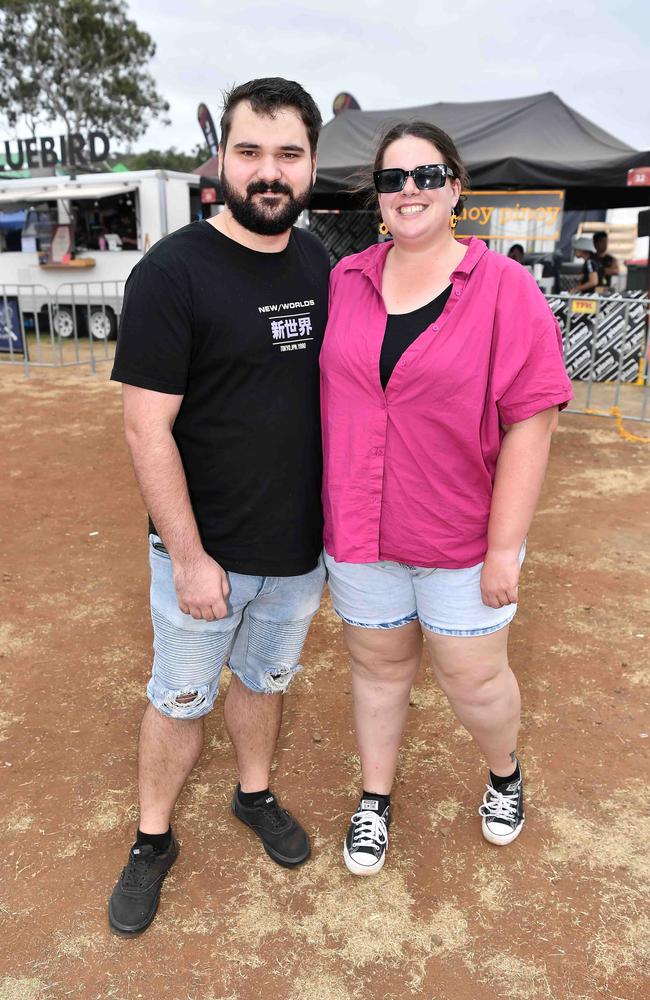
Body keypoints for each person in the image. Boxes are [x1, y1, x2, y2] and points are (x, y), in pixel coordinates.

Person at [320, 121, 573, 876]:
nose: (409, 191)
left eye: (426, 175)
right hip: (361, 529)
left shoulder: (506, 290)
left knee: (474, 678)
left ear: (456, 188)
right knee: (377, 669)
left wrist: (504, 549)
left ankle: (504, 774)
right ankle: (375, 798)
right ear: (378, 197)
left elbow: (532, 421)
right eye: (394, 179)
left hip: (463, 534)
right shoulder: (346, 280)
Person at [108, 77, 329, 934]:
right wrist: (192, 558)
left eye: (287, 154)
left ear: (311, 163)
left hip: (299, 551)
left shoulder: (321, 266)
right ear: (223, 159)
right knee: (181, 695)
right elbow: (145, 430)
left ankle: (253, 794)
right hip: (205, 553)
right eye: (250, 152)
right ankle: (152, 839)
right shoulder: (173, 272)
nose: (268, 172)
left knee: (266, 679)